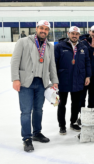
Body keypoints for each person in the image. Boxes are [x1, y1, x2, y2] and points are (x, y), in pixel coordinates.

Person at [11, 20, 59, 152]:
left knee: (38, 110)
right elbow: (15, 61)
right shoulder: (23, 41)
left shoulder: (49, 46)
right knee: (26, 111)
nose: (44, 31)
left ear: (48, 31)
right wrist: (15, 79)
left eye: (46, 29)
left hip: (41, 83)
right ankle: (27, 138)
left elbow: (52, 65)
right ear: (36, 29)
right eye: (41, 28)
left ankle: (37, 132)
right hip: (26, 82)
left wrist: (54, 81)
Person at [54, 26, 91, 135]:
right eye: (72, 33)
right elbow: (54, 64)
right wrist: (54, 79)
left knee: (76, 103)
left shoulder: (83, 47)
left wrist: (88, 76)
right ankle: (62, 125)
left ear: (79, 35)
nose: (74, 36)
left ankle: (73, 122)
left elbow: (87, 63)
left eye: (77, 34)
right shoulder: (59, 47)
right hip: (63, 80)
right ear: (68, 33)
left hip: (78, 79)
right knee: (61, 104)